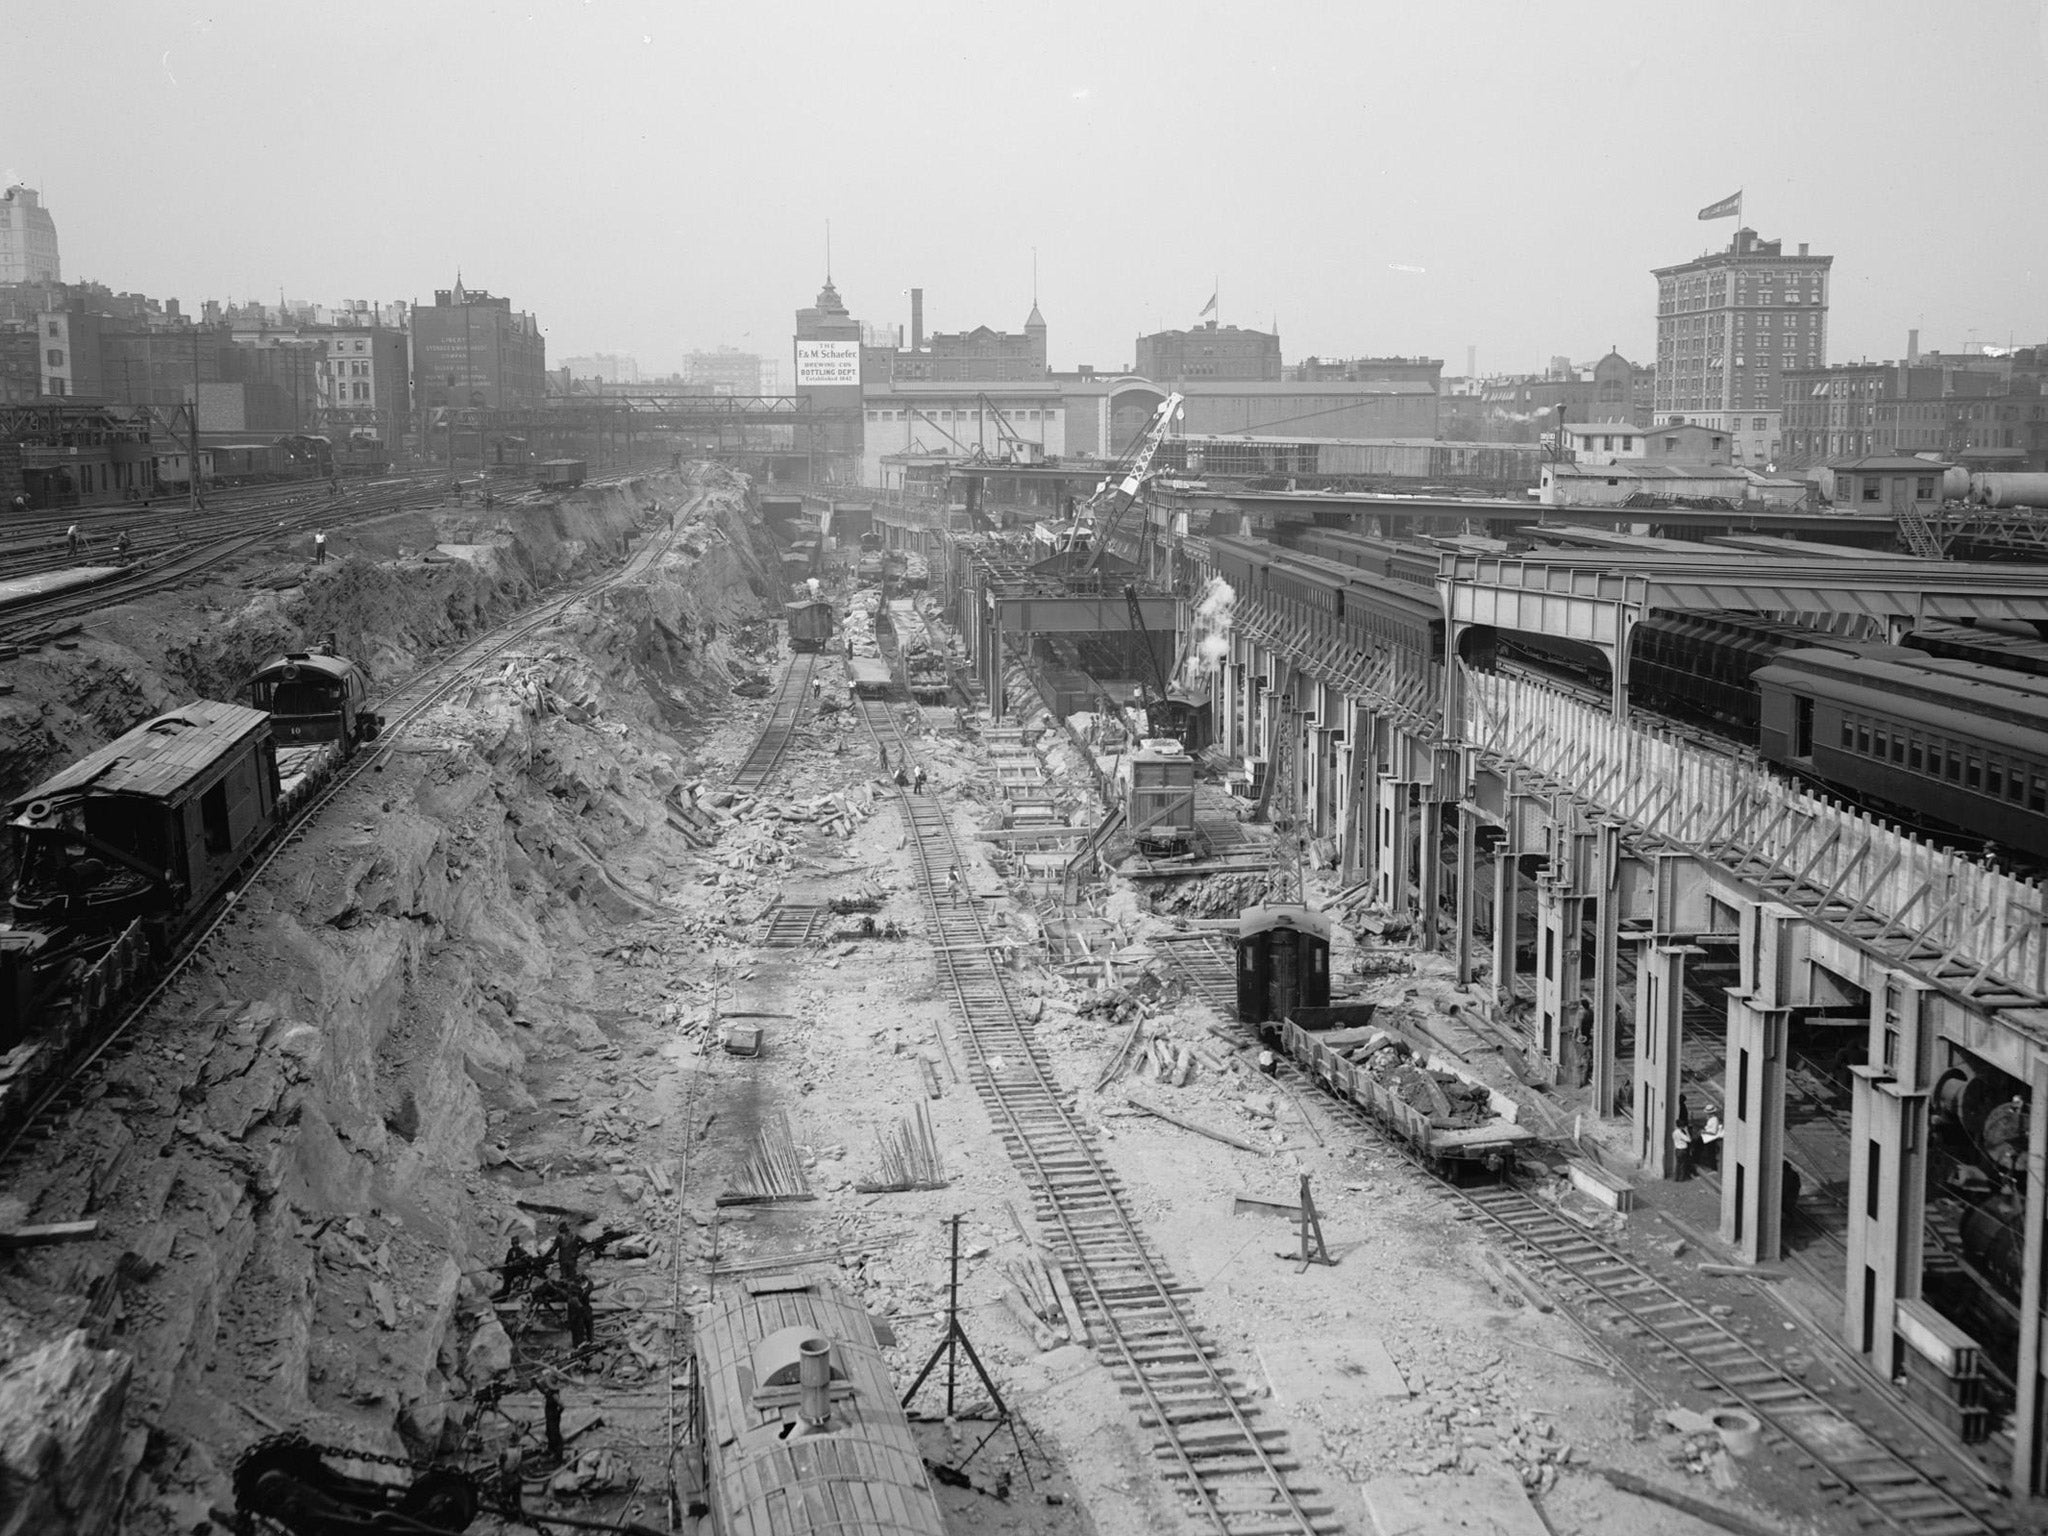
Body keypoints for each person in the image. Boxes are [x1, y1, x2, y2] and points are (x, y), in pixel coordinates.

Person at [1672, 1096, 1695, 1182]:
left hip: (1677, 1149)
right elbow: (1689, 1140)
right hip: (1683, 1150)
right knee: (1683, 1165)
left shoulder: (1674, 1132)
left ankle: (1676, 1178)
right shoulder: (1681, 1133)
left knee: (1678, 1165)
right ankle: (1682, 1178)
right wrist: (1687, 1131)